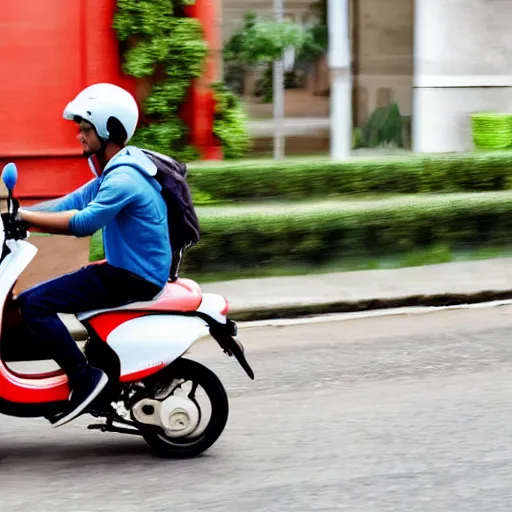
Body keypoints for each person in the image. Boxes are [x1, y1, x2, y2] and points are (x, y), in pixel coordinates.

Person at [16, 83, 171, 428]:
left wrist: (24, 218)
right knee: (43, 297)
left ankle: (84, 379)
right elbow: (70, 204)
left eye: (85, 129)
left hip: (132, 278)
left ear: (107, 130)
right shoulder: (119, 167)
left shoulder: (124, 178)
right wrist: (17, 214)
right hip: (130, 271)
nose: (79, 137)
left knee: (33, 303)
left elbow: (84, 222)